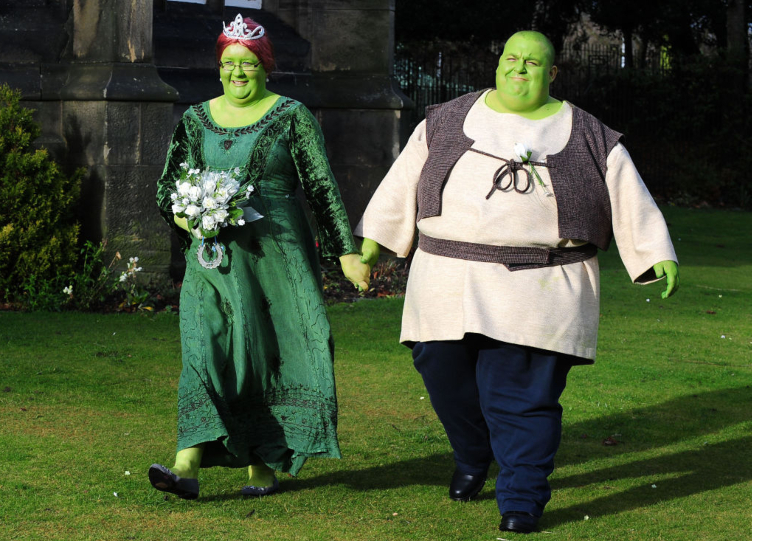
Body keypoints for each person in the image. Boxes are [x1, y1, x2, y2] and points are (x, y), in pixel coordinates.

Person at [355, 30, 679, 533]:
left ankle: (522, 498)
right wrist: (374, 242)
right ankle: (473, 454)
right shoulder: (445, 120)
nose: (518, 69)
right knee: (443, 375)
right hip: (447, 276)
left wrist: (655, 253)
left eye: (532, 62)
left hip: (541, 284)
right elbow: (402, 183)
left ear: (552, 74)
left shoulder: (588, 133)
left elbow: (629, 197)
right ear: (498, 63)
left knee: (520, 394)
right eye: (510, 58)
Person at [149, 13, 370, 500]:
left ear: (265, 66)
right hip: (211, 263)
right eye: (229, 63)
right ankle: (187, 464)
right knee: (203, 346)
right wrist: (195, 221)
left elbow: (321, 188)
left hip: (275, 261)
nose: (237, 73)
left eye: (248, 64)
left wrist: (346, 254)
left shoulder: (292, 116)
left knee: (266, 356)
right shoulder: (194, 120)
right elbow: (166, 190)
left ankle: (262, 465)